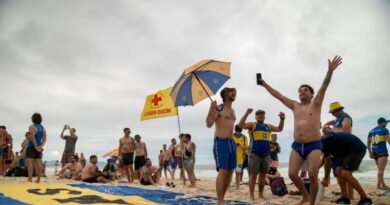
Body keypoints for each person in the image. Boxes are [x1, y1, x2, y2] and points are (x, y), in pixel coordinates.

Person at [260, 56, 343, 205]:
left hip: (314, 145)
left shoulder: (316, 104)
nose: (302, 92)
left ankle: (311, 202)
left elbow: (324, 86)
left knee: (312, 174)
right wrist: (264, 84)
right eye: (300, 91)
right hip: (297, 145)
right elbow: (278, 95)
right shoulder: (294, 105)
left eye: (305, 90)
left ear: (311, 94)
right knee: (292, 174)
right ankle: (305, 196)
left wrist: (330, 71)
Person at [239, 109, 285, 201]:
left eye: (262, 114)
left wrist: (282, 119)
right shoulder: (253, 125)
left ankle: (260, 194)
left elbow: (280, 129)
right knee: (253, 176)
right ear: (255, 116)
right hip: (254, 154)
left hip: (266, 155)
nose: (260, 116)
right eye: (258, 114)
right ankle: (251, 195)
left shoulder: (268, 126)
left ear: (264, 116)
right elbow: (240, 125)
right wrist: (246, 113)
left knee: (263, 176)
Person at [321, 132, 373, 205]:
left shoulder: (324, 143)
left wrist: (326, 178)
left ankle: (365, 199)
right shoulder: (323, 141)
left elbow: (327, 162)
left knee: (346, 174)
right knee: (338, 172)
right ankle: (345, 198)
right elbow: (324, 160)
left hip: (356, 149)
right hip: (346, 152)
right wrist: (314, 171)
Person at [206, 87, 237, 205]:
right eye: (231, 92)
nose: (234, 93)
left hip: (231, 142)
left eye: (235, 92)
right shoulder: (219, 108)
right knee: (223, 171)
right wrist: (211, 109)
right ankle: (220, 200)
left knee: (230, 171)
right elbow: (209, 124)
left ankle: (222, 198)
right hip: (221, 141)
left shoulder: (233, 111)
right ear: (224, 94)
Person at [322, 101, 355, 199]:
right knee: (340, 173)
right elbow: (335, 122)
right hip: (339, 149)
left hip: (346, 148)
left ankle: (351, 196)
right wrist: (328, 123)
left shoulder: (346, 118)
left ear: (339, 110)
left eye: (333, 112)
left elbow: (346, 130)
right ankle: (345, 195)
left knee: (347, 173)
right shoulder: (338, 119)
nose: (332, 114)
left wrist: (330, 130)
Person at [367, 117, 390, 190]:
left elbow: (368, 143)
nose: (386, 124)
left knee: (380, 170)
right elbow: (388, 141)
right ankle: (378, 186)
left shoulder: (371, 131)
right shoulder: (384, 130)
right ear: (383, 123)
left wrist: (370, 153)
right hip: (382, 151)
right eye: (385, 123)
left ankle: (383, 185)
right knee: (381, 171)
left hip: (374, 152)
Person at [25, 113, 47, 183]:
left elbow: (32, 137)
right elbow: (44, 138)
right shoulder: (43, 128)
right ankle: (38, 179)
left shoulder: (32, 127)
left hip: (31, 147)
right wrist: (41, 146)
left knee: (30, 163)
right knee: (39, 163)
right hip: (39, 147)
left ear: (33, 119)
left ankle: (30, 179)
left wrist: (36, 146)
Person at [232, 125, 248, 189]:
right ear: (235, 130)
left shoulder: (244, 137)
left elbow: (246, 148)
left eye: (239, 131)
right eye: (237, 131)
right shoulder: (231, 136)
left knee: (238, 173)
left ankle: (237, 187)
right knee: (229, 173)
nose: (238, 132)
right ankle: (227, 186)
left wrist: (241, 145)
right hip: (231, 157)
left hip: (240, 159)